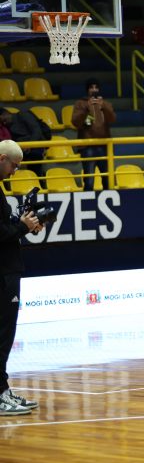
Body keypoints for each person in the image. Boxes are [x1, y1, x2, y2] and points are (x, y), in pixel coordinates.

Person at [0, 140, 45, 416]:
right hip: (3, 273)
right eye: (14, 166)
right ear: (2, 158)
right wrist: (21, 226)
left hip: (7, 269)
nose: (15, 172)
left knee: (5, 336)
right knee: (2, 336)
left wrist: (25, 226)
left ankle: (3, 391)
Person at [70, 78, 116, 191]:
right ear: (87, 90)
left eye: (96, 87)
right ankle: (88, 200)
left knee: (107, 179)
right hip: (87, 147)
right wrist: (86, 107)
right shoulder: (80, 104)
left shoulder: (105, 103)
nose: (94, 90)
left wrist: (103, 106)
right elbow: (75, 122)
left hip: (104, 146)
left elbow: (112, 119)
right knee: (89, 180)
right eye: (91, 87)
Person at [0, 108, 51, 177]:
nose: (4, 123)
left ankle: (38, 179)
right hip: (21, 148)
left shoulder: (23, 115)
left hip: (35, 145)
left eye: (4, 120)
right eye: (2, 122)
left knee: (35, 156)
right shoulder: (6, 126)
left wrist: (29, 145)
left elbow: (37, 131)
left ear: (6, 113)